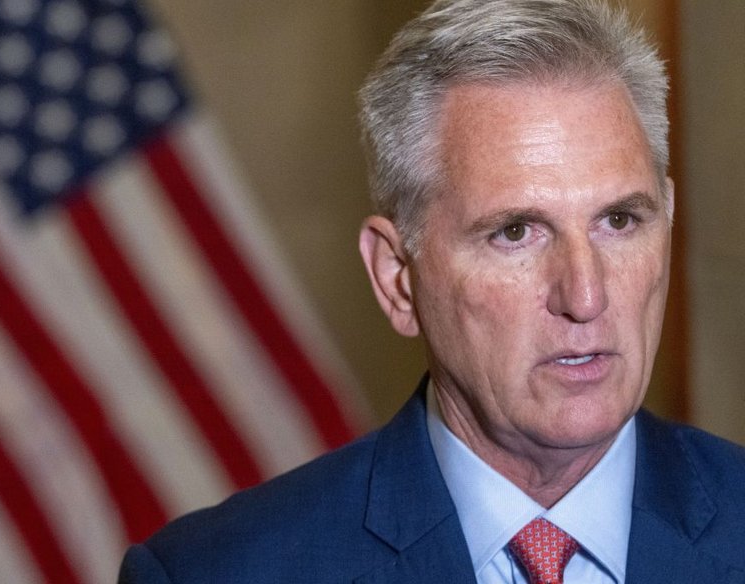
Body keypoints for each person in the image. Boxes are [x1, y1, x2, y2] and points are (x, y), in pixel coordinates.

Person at [118, 0, 745, 581]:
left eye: (619, 221)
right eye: (516, 232)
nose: (585, 297)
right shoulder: (215, 572)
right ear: (397, 278)